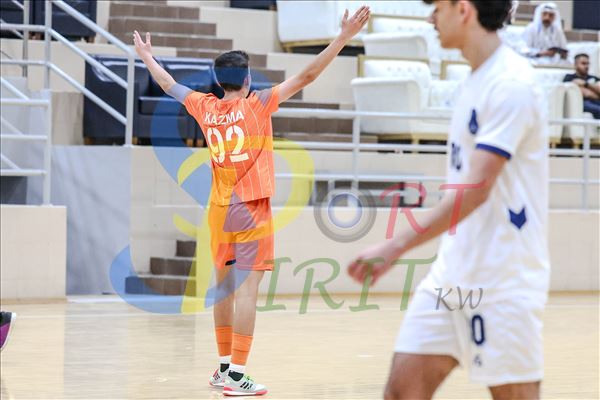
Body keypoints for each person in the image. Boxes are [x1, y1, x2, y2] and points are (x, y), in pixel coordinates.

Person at [134, 5, 370, 397]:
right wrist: (343, 37)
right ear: (246, 79)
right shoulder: (258, 103)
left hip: (219, 208)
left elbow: (168, 84)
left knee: (224, 289)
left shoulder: (205, 106)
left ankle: (224, 368)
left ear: (217, 81)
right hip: (251, 208)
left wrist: (147, 57)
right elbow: (308, 76)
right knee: (247, 292)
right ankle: (238, 375)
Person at [347, 1, 549, 399]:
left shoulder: (512, 84)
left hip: (504, 278)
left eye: (438, 7)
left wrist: (395, 245)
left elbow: (475, 190)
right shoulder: (473, 80)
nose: (431, 17)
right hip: (451, 273)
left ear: (464, 10)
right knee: (402, 391)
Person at [563, 53, 600, 119]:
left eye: (588, 63)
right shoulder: (569, 77)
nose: (586, 66)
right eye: (583, 63)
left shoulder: (594, 78)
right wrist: (595, 91)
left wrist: (586, 84)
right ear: (575, 65)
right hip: (581, 103)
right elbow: (583, 93)